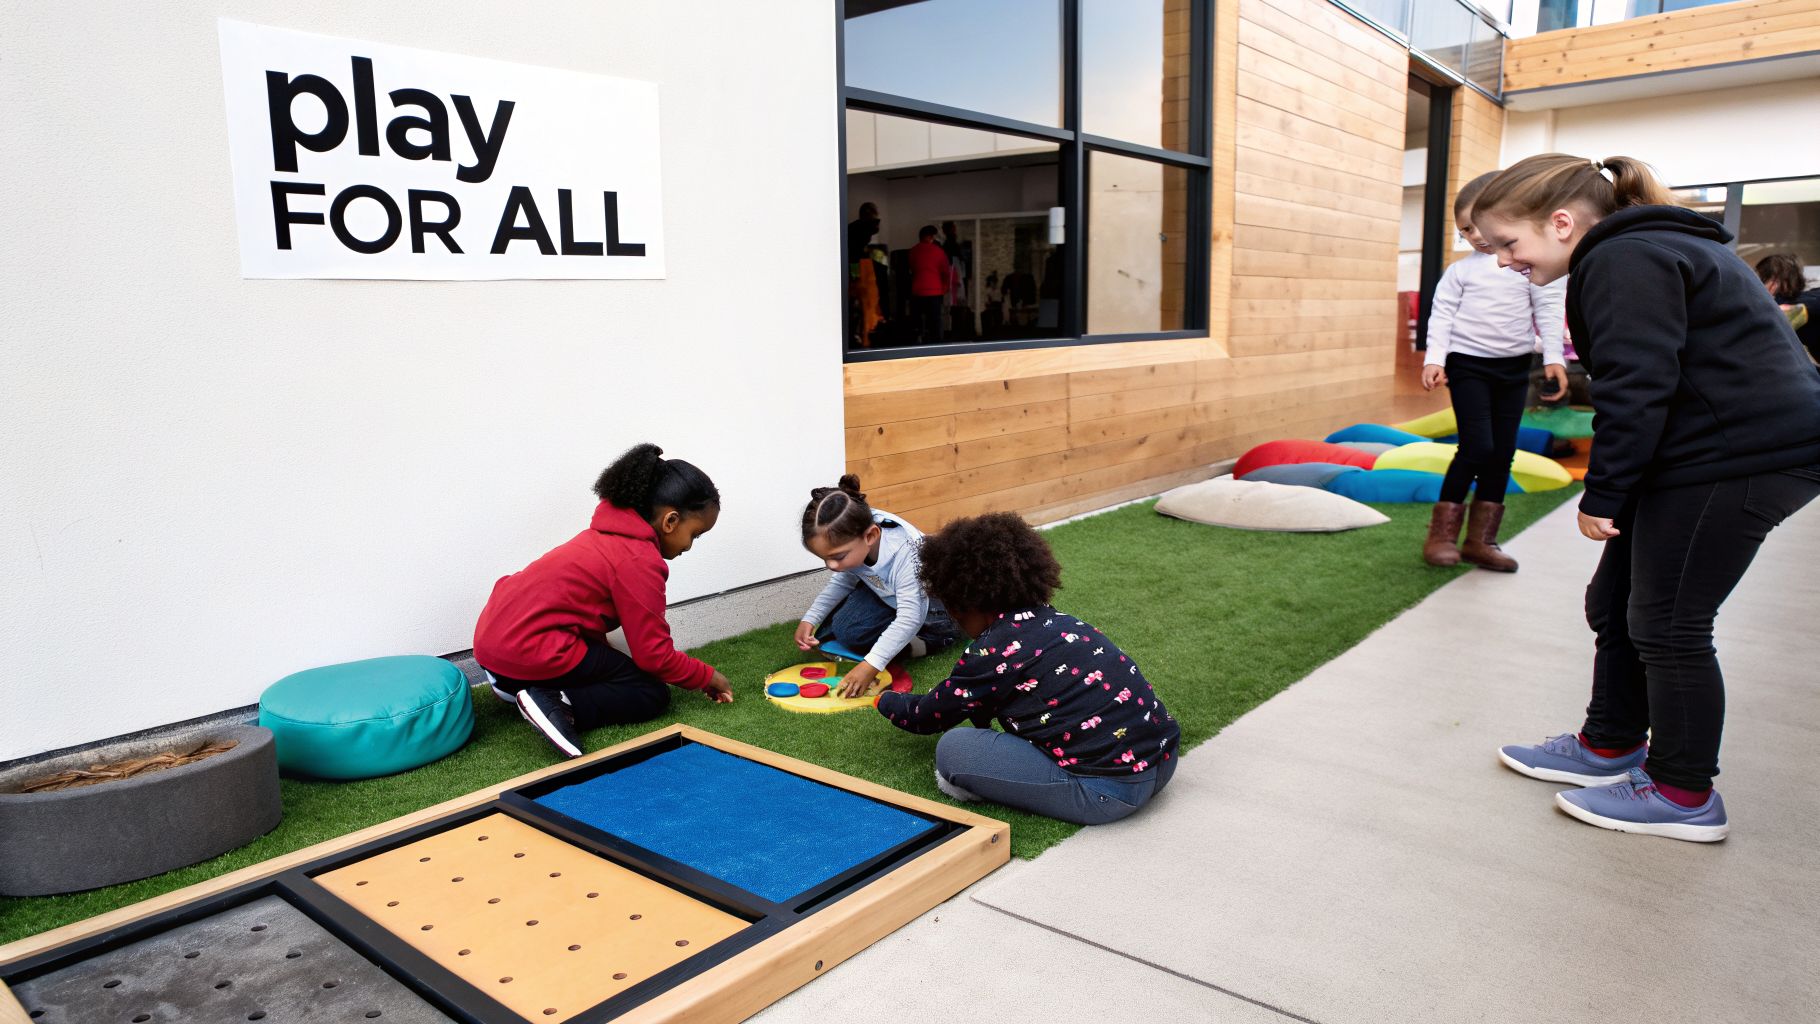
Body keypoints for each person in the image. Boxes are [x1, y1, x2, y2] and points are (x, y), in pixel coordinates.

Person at [1475, 154, 1820, 842]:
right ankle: (1610, 743)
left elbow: (1638, 387)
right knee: (1614, 604)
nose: (1503, 262)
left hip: (1742, 460)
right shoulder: (1642, 248)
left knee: (1669, 622)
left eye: (1508, 244)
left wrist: (1603, 495)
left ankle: (1684, 793)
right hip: (1702, 454)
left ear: (1563, 221)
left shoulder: (1626, 258)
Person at [872, 513, 1180, 825]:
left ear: (964, 604)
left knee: (954, 749)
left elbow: (926, 717)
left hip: (1106, 792)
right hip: (1164, 763)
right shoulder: (1062, 621)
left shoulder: (993, 652)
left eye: (954, 613)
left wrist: (885, 699)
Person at [474, 444, 734, 758]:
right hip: (529, 646)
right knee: (649, 692)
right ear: (671, 521)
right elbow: (654, 655)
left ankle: (511, 684)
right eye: (695, 534)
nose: (690, 546)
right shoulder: (639, 560)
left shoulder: (603, 537)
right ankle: (554, 700)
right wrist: (707, 676)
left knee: (611, 660)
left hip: (492, 643)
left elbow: (579, 613)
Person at [1420, 171, 1569, 572]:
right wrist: (1434, 358)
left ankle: (1481, 541)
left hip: (1514, 366)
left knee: (1502, 453)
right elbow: (1442, 315)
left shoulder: (1529, 266)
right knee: (1477, 447)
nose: (1476, 235)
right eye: (1466, 229)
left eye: (1481, 225)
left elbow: (1550, 310)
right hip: (1467, 364)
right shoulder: (1461, 272)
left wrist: (1554, 356)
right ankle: (1442, 535)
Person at [795, 475, 957, 698]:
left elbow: (911, 616)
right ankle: (896, 639)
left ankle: (930, 641)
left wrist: (870, 665)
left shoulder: (905, 553)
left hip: (935, 609)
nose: (831, 566)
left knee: (852, 634)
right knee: (845, 630)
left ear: (871, 535)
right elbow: (844, 581)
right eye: (825, 559)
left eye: (838, 557)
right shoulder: (853, 529)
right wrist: (810, 618)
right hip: (889, 594)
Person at [1754, 252, 1820, 363]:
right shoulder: (1809, 296)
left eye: (1761, 280)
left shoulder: (1793, 306)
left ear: (1773, 281)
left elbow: (1762, 335)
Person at [908, 225, 952, 343]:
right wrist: (945, 287)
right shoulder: (939, 252)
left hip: (917, 290)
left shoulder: (912, 251)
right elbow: (946, 272)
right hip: (935, 291)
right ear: (930, 237)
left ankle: (918, 340)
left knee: (917, 320)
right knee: (935, 321)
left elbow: (912, 268)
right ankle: (936, 345)